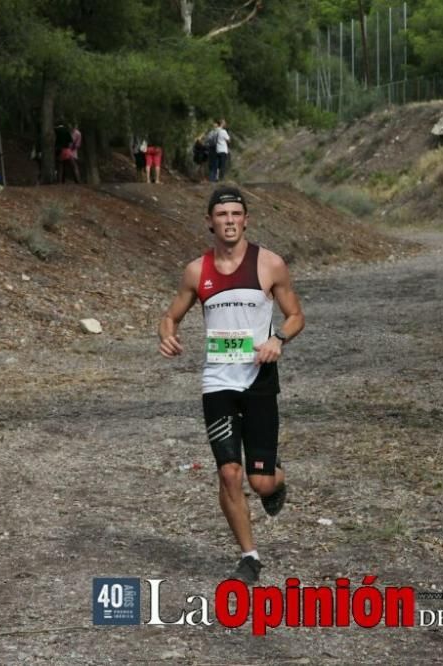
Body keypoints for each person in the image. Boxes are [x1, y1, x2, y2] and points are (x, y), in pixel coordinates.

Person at [158, 186, 305, 584]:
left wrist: (277, 339)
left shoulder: (269, 264)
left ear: (245, 220)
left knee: (260, 481)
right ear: (209, 221)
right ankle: (250, 557)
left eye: (235, 214)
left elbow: (295, 315)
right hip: (218, 382)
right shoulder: (196, 271)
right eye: (221, 214)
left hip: (259, 381)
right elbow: (170, 316)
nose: (228, 220)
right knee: (228, 473)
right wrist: (167, 333)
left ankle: (278, 478)